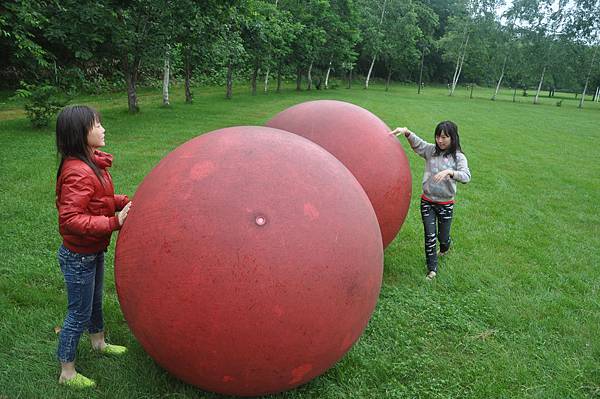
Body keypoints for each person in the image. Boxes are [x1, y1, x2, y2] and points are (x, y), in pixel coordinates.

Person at [55, 105, 132, 387]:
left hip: (92, 249)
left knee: (95, 302)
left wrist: (122, 202)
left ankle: (98, 342)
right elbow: (71, 219)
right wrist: (114, 221)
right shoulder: (79, 172)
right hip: (78, 256)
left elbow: (99, 201)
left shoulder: (91, 163)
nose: (103, 128)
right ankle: (67, 372)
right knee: (78, 312)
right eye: (96, 124)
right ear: (79, 134)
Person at [391, 121, 471, 280]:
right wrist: (407, 132)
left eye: (444, 137)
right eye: (437, 137)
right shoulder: (431, 151)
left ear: (452, 138)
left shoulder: (458, 157)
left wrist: (450, 172)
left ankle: (446, 245)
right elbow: (418, 144)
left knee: (443, 237)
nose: (440, 140)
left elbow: (466, 176)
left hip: (445, 204)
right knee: (429, 235)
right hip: (427, 202)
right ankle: (432, 269)